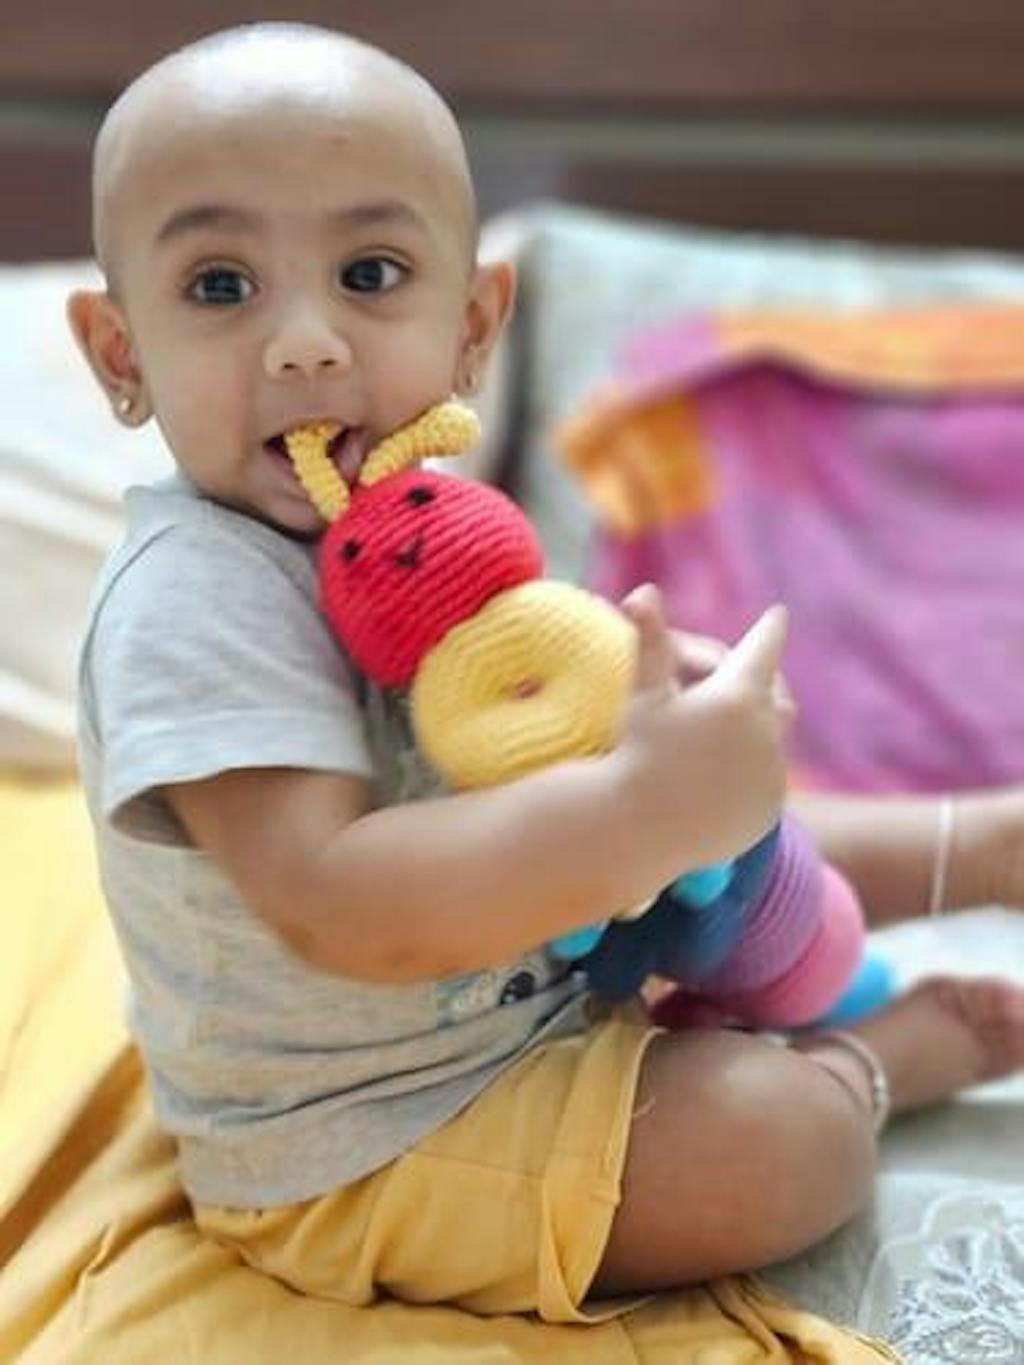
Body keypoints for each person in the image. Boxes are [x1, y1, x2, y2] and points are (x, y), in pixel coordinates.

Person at [69, 20, 1024, 1352]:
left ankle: (979, 844)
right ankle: (868, 1065)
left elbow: (546, 764)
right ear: (122, 356)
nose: (305, 343)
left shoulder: (430, 519)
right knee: (780, 1144)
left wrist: (655, 735)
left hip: (549, 979)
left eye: (369, 273)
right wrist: (641, 805)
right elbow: (343, 905)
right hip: (371, 1135)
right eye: (221, 285)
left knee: (715, 824)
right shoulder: (195, 598)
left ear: (470, 330)